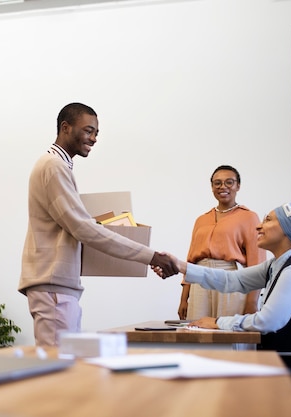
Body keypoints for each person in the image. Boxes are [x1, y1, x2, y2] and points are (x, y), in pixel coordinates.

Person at [19, 102, 179, 347]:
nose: (93, 138)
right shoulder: (53, 166)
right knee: (58, 371)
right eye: (87, 130)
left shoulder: (57, 166)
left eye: (96, 133)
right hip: (53, 287)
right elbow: (83, 229)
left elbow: (79, 226)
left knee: (65, 367)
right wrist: (151, 256)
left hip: (58, 287)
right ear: (65, 128)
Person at [156, 203, 291, 416]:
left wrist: (218, 322)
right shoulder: (277, 265)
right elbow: (230, 280)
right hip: (283, 370)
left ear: (289, 229)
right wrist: (180, 265)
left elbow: (267, 321)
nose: (259, 227)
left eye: (268, 220)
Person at [178, 165, 265, 321]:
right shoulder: (201, 219)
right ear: (212, 187)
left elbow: (256, 263)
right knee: (196, 330)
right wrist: (184, 299)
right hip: (199, 278)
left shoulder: (249, 217)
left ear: (238, 186)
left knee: (229, 331)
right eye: (217, 183)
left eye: (229, 182)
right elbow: (190, 260)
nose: (223, 187)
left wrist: (252, 301)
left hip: (230, 277)